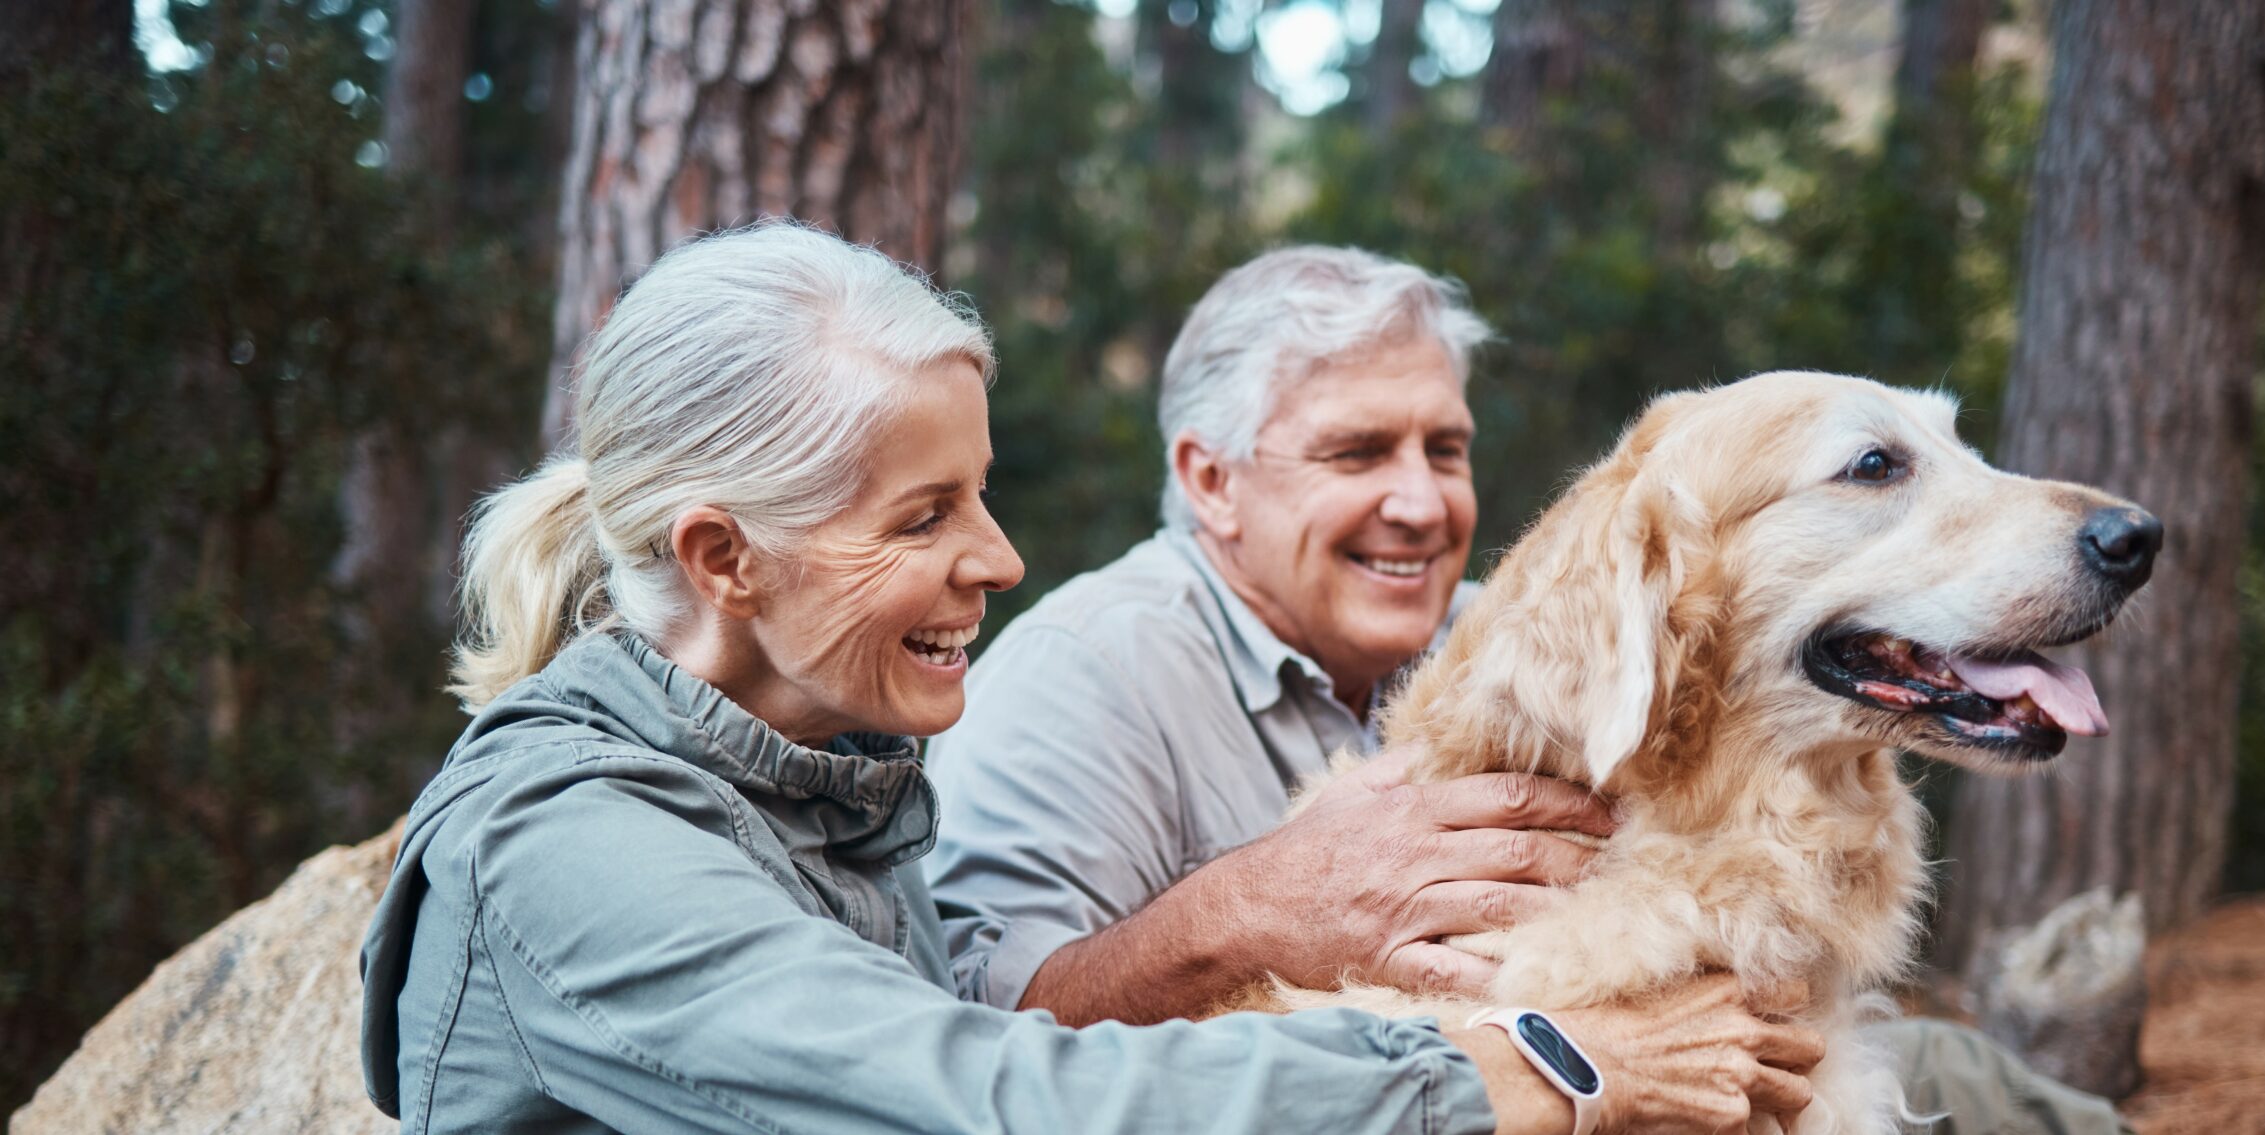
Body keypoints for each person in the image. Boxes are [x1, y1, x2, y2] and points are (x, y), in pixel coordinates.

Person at [355, 221, 1826, 1135]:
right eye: (923, 518)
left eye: (976, 496)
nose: (998, 557)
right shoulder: (563, 840)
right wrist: (1546, 1069)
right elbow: (984, 1096)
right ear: (726, 557)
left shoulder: (828, 772)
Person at [925, 246, 2131, 1133]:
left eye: (1444, 450)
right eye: (1358, 452)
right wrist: (1248, 908)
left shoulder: (1517, 646)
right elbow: (992, 1038)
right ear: (1212, 481)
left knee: (1972, 1083)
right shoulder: (1086, 667)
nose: (1422, 501)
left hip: (1692, 1053)